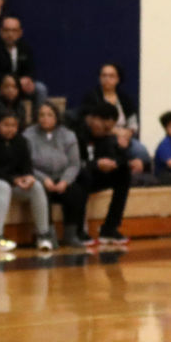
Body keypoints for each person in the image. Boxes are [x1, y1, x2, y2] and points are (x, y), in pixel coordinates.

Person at [0, 107, 53, 253]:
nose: (10, 129)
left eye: (14, 126)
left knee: (37, 186)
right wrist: (13, 180)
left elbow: (27, 166)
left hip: (10, 183)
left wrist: (28, 177)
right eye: (6, 125)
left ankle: (43, 235)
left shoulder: (21, 141)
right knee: (3, 186)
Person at [23, 101, 88, 248]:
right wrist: (43, 179)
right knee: (40, 191)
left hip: (61, 177)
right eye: (41, 115)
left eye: (49, 115)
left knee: (75, 191)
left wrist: (65, 181)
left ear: (57, 117)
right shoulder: (28, 136)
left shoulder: (68, 135)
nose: (45, 118)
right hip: (39, 178)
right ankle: (48, 234)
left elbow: (74, 164)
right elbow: (26, 165)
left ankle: (71, 234)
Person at [74, 102, 131, 245]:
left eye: (110, 129)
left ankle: (110, 228)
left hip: (94, 175)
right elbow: (72, 164)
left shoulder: (106, 136)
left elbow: (116, 157)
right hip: (74, 177)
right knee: (84, 175)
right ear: (94, 119)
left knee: (124, 173)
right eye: (105, 127)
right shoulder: (75, 131)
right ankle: (79, 230)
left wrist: (117, 162)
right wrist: (95, 164)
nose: (108, 132)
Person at [81, 62, 149, 174]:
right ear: (99, 78)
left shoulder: (124, 97)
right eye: (104, 75)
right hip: (104, 135)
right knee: (116, 148)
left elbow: (133, 123)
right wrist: (116, 133)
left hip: (125, 135)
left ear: (118, 79)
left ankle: (136, 179)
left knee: (141, 152)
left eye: (111, 76)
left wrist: (127, 135)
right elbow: (90, 123)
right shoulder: (92, 97)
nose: (107, 79)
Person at [0, 15, 48, 111]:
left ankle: (38, 121)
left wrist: (28, 80)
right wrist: (15, 82)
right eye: (7, 30)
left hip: (18, 85)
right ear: (1, 31)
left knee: (40, 88)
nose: (10, 34)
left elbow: (31, 70)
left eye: (14, 31)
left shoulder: (24, 47)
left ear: (20, 33)